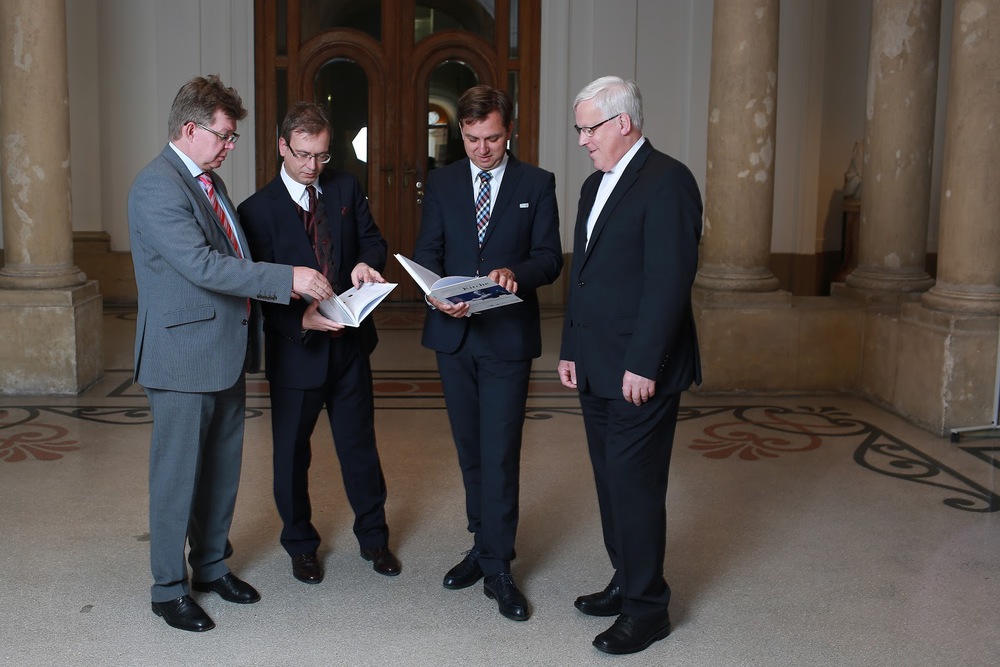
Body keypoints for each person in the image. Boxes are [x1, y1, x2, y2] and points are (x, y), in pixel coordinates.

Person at [128, 75, 335, 632]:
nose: (229, 146)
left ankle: (211, 566)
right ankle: (168, 590)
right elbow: (202, 265)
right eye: (224, 135)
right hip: (181, 358)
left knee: (220, 473)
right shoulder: (157, 187)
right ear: (190, 129)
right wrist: (287, 278)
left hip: (223, 350)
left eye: (232, 137)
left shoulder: (208, 181)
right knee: (177, 479)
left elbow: (232, 256)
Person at [557, 76, 702, 655]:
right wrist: (569, 346)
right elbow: (584, 276)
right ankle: (626, 578)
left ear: (623, 122)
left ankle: (647, 609)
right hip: (595, 361)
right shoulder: (594, 185)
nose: (582, 140)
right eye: (579, 130)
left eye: (588, 128)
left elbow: (670, 282)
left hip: (641, 370)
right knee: (611, 481)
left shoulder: (669, 180)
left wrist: (645, 363)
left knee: (635, 486)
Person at [412, 85, 563, 622]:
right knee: (470, 449)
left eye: (492, 138)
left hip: (506, 337)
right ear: (461, 132)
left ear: (509, 131)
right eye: (472, 138)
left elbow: (550, 258)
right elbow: (428, 250)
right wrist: (435, 294)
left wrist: (515, 274)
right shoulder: (443, 182)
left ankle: (498, 565)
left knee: (499, 452)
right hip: (453, 336)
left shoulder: (537, 183)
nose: (482, 149)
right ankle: (482, 543)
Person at [238, 102, 401, 584]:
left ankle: (374, 539)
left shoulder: (345, 186)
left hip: (350, 345)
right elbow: (256, 287)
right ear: (282, 146)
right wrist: (300, 319)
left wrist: (367, 263)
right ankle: (300, 545)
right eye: (304, 155)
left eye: (322, 155)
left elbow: (373, 240)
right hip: (296, 351)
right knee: (291, 455)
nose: (313, 166)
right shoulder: (256, 211)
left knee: (360, 447)